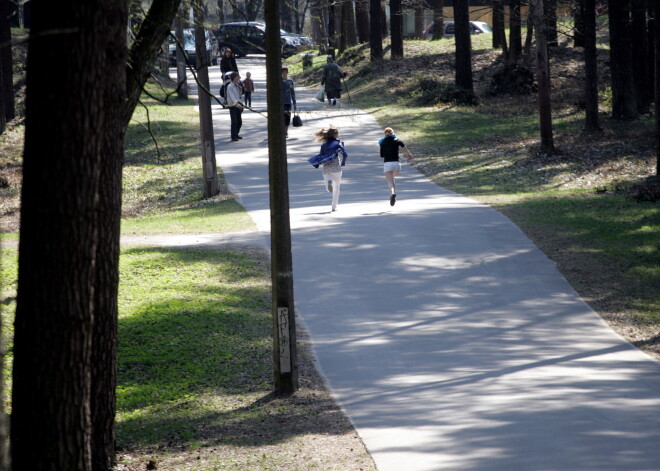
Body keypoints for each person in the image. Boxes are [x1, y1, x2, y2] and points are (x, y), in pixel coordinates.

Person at [308, 127, 348, 212]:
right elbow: (345, 154)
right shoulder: (338, 143)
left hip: (327, 167)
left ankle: (329, 182)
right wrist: (343, 163)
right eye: (338, 133)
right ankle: (334, 207)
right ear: (335, 135)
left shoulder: (324, 145)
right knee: (337, 187)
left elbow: (321, 155)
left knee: (328, 187)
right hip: (336, 166)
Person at [379, 127, 412, 206]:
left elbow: (381, 155)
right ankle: (394, 196)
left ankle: (393, 193)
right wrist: (408, 153)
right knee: (392, 178)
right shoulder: (397, 140)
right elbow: (403, 145)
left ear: (385, 134)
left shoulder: (382, 142)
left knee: (389, 181)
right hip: (397, 164)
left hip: (388, 164)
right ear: (392, 133)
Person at [226, 72, 243, 142]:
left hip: (238, 105)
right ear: (234, 78)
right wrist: (237, 105)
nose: (239, 78)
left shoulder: (237, 85)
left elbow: (239, 95)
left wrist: (240, 88)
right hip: (233, 106)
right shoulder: (230, 86)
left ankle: (236, 134)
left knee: (239, 122)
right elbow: (232, 97)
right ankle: (233, 136)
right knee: (234, 122)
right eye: (238, 77)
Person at [282, 67, 296, 137]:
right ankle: (281, 131)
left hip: (288, 102)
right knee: (281, 118)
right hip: (280, 103)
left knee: (287, 117)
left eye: (285, 72)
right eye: (283, 72)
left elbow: (292, 92)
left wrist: (294, 102)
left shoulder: (290, 81)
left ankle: (286, 132)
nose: (284, 73)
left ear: (287, 72)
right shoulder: (279, 81)